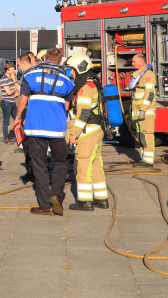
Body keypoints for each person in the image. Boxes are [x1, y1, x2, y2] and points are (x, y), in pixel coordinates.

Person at [13, 47, 73, 216]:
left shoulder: (31, 75)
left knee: (39, 164)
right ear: (60, 61)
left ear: (44, 58)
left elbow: (23, 99)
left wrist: (18, 117)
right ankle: (57, 194)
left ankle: (45, 204)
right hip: (57, 128)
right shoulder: (67, 80)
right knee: (60, 163)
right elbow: (67, 106)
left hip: (35, 126)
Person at [64, 54, 109, 211]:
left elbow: (83, 114)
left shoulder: (85, 89)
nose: (71, 74)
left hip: (87, 133)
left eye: (72, 71)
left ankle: (84, 201)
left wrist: (73, 134)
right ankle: (101, 198)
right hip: (97, 131)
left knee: (82, 166)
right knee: (96, 165)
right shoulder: (94, 84)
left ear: (79, 69)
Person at [130, 54, 157, 167]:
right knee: (141, 136)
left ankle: (148, 161)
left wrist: (143, 110)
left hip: (145, 114)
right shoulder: (141, 75)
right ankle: (144, 159)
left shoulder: (148, 75)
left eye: (134, 61)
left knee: (147, 136)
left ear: (141, 62)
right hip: (139, 113)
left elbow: (149, 94)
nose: (132, 63)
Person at [15, 53, 37, 182]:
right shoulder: (38, 72)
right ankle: (34, 170)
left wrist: (19, 116)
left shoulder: (28, 75)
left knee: (28, 142)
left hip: (29, 111)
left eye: (18, 65)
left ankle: (32, 172)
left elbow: (25, 98)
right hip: (34, 111)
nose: (18, 67)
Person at [0, 63, 18, 144]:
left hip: (12, 102)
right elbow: (9, 92)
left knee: (18, 119)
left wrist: (14, 80)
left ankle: (20, 136)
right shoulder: (4, 79)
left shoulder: (11, 79)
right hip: (6, 102)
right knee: (6, 121)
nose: (13, 70)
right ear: (7, 71)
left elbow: (16, 89)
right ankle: (6, 138)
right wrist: (16, 89)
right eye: (12, 69)